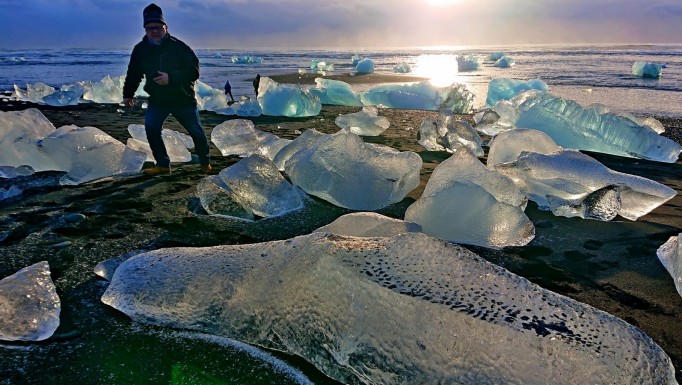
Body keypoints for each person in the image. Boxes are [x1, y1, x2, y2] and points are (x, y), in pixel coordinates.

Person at [122, 3, 212, 175]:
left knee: (196, 132)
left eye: (157, 27)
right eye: (149, 28)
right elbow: (134, 73)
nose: (154, 31)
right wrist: (128, 94)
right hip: (158, 99)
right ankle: (163, 164)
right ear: (145, 29)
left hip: (182, 98)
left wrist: (170, 78)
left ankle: (205, 163)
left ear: (165, 27)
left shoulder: (179, 47)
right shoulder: (140, 50)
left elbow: (194, 71)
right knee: (151, 129)